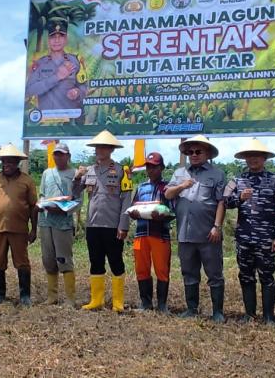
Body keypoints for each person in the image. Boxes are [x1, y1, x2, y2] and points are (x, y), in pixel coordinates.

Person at [224, 138, 275, 324]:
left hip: (266, 238)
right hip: (244, 238)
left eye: (257, 156)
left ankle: (269, 317)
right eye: (249, 156)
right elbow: (225, 202)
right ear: (244, 159)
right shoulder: (237, 180)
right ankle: (249, 315)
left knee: (267, 275)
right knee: (245, 275)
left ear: (264, 158)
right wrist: (239, 198)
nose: (253, 159)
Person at [165, 135, 226, 323]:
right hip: (185, 232)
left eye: (198, 151)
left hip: (209, 233)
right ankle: (192, 309)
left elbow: (221, 202)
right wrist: (182, 185)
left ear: (207, 153)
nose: (194, 155)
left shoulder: (217, 174)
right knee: (189, 272)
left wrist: (217, 226)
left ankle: (217, 311)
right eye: (190, 152)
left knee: (214, 274)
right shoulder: (179, 173)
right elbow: (168, 193)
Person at [73, 130, 133, 312]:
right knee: (95, 261)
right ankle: (96, 300)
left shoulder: (123, 171)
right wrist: (76, 178)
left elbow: (126, 200)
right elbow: (75, 194)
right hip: (93, 224)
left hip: (113, 225)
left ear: (111, 149)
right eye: (97, 147)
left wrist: (123, 225)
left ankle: (118, 302)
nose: (99, 150)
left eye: (103, 147)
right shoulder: (88, 171)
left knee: (116, 261)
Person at [0, 144, 38, 307]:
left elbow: (34, 206)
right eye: (4, 162)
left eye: (10, 162)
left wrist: (34, 229)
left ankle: (25, 295)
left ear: (17, 162)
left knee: (22, 262)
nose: (7, 165)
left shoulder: (27, 181)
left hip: (19, 229)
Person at [128, 152, 173, 313]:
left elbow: (173, 212)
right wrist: (132, 214)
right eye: (148, 166)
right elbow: (134, 206)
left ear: (161, 168)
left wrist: (162, 217)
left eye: (154, 166)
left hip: (160, 234)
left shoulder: (167, 188)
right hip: (141, 233)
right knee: (141, 268)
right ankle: (145, 303)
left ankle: (162, 304)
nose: (151, 170)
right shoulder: (141, 187)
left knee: (162, 269)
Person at [37, 143, 78, 307]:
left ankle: (70, 298)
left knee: (64, 259)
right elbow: (42, 195)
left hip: (63, 222)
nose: (58, 157)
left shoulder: (74, 174)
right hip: (46, 221)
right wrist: (42, 204)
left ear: (68, 156)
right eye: (56, 154)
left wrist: (65, 211)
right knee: (48, 259)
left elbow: (77, 199)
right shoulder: (47, 173)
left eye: (61, 154)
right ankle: (52, 297)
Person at [25, 19, 87, 116]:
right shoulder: (39, 64)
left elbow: (84, 87)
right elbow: (29, 90)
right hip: (45, 121)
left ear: (66, 39)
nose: (56, 40)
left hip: (70, 120)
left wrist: (77, 92)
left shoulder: (76, 61)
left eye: (60, 36)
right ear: (48, 40)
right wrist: (56, 77)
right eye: (53, 36)